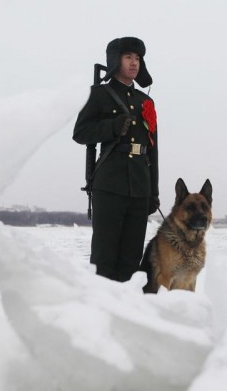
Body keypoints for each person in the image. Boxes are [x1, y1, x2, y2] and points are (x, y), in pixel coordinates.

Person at [73, 37, 159, 282]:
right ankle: (99, 312)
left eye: (138, 58)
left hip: (140, 187)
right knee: (104, 257)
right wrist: (111, 127)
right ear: (115, 61)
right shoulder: (98, 95)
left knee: (132, 259)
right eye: (128, 57)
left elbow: (152, 150)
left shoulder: (146, 102)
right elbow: (80, 133)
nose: (134, 63)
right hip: (109, 185)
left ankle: (126, 313)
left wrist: (153, 191)